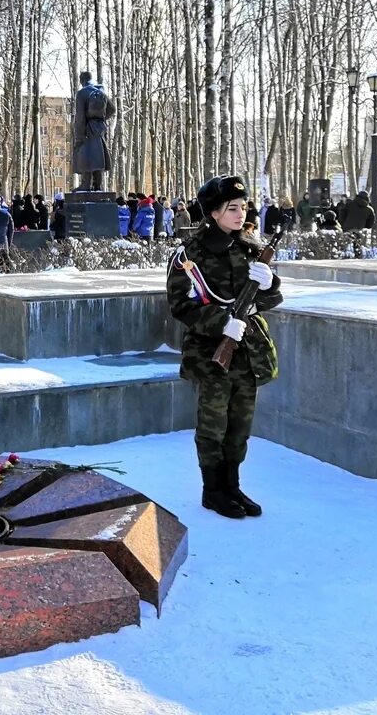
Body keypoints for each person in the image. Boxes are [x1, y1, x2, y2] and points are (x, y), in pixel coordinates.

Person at [166, 175, 283, 520]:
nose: (240, 213)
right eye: (232, 207)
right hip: (211, 355)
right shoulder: (190, 255)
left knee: (240, 425)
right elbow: (180, 306)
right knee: (213, 425)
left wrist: (270, 284)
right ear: (214, 213)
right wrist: (221, 323)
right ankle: (213, 490)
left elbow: (271, 298)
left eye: (243, 206)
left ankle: (232, 486)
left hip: (248, 352)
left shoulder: (249, 247)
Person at [72, 70, 117, 191]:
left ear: (82, 80)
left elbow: (80, 116)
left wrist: (79, 136)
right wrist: (101, 119)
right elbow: (112, 109)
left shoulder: (82, 93)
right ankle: (98, 185)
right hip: (100, 128)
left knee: (86, 155)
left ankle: (86, 185)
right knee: (98, 156)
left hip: (87, 129)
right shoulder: (100, 91)